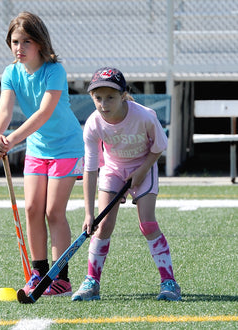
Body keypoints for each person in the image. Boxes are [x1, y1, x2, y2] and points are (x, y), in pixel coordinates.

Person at [0, 11, 84, 297]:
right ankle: (39, 274)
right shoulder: (11, 73)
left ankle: (61, 279)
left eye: (26, 41)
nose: (19, 48)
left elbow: (44, 112)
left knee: (53, 211)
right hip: (37, 148)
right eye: (15, 41)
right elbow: (4, 111)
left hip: (66, 147)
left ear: (40, 43)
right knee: (32, 209)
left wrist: (12, 139)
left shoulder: (54, 71)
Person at [71, 67, 181, 302]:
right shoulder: (92, 124)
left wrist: (141, 172)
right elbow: (91, 170)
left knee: (148, 224)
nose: (103, 104)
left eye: (110, 97)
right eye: (97, 98)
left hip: (144, 165)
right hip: (113, 169)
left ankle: (169, 282)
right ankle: (92, 282)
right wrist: (89, 213)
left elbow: (159, 146)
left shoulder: (144, 116)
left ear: (123, 95)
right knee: (103, 225)